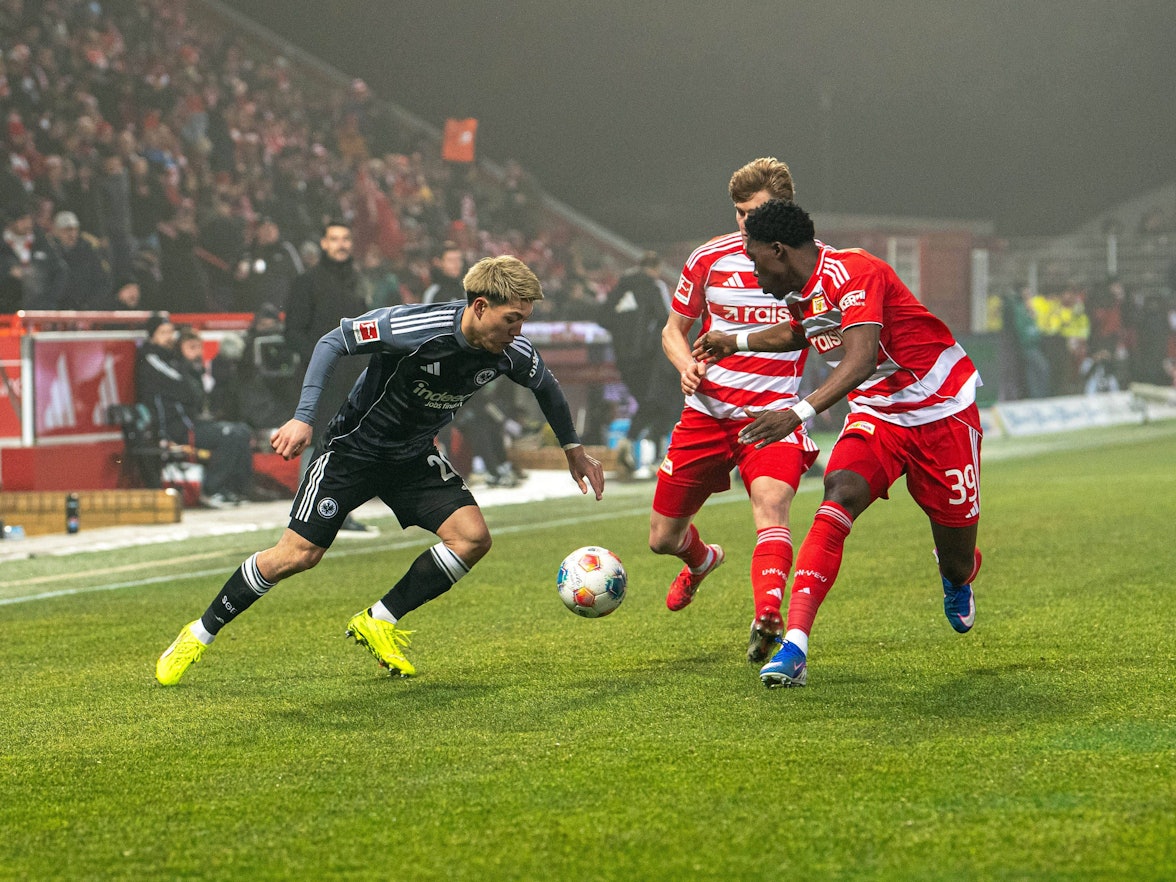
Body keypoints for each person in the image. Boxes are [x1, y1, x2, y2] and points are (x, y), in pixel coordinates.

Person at [155, 255, 606, 686]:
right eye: (512, 319)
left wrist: (573, 449)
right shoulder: (415, 327)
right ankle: (198, 634)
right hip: (353, 453)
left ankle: (378, 621)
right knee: (297, 555)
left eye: (523, 320)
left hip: (411, 457)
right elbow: (333, 341)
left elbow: (546, 386)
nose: (518, 331)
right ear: (481, 306)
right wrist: (303, 417)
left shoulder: (511, 350)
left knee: (471, 539)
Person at [696, 199, 982, 687]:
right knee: (838, 495)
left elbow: (861, 357)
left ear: (779, 250)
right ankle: (795, 648)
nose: (754, 273)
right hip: (878, 414)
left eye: (755, 259)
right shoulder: (800, 290)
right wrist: (736, 341)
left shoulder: (855, 271)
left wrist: (796, 413)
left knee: (957, 559)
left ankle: (956, 575)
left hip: (942, 410)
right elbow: (803, 332)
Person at [652, 157, 817, 663]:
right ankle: (701, 561)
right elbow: (673, 330)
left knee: (771, 507)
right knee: (663, 539)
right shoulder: (709, 258)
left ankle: (767, 614)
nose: (746, 222)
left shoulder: (809, 264)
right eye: (740, 213)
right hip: (705, 415)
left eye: (756, 213)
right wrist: (686, 365)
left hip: (771, 418)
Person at [285, 219, 373, 533]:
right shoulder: (306, 282)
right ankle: (307, 512)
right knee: (317, 441)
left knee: (347, 444)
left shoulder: (358, 282)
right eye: (334, 239)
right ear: (323, 244)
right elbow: (292, 332)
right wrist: (322, 359)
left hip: (354, 378)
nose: (341, 244)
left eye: (345, 238)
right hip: (321, 380)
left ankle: (338, 512)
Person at [134, 314, 255, 508]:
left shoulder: (175, 360)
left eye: (170, 332)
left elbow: (196, 393)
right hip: (175, 429)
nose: (169, 337)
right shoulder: (151, 359)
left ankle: (237, 489)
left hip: (191, 422)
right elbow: (186, 390)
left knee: (242, 430)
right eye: (163, 333)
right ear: (152, 336)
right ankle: (211, 490)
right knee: (229, 435)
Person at [600, 250, 681, 478]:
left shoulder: (619, 288)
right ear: (656, 268)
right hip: (647, 358)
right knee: (659, 402)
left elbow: (602, 318)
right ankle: (654, 454)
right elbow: (665, 318)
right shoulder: (654, 286)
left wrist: (622, 334)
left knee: (650, 402)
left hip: (622, 359)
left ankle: (630, 445)